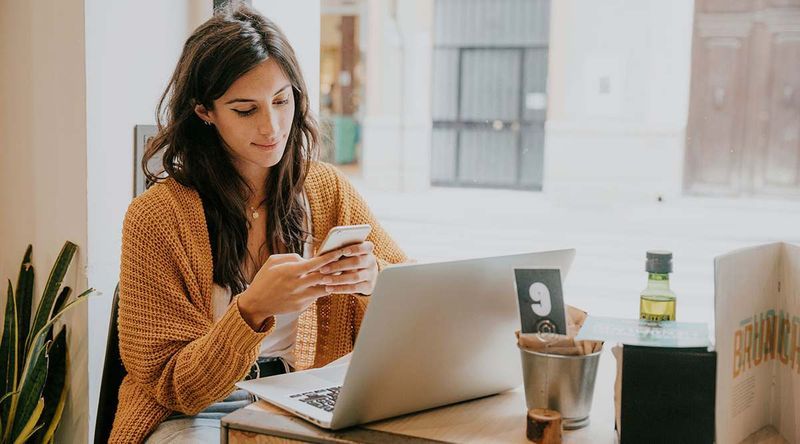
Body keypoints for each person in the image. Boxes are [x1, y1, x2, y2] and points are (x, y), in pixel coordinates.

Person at [111, 4, 406, 442]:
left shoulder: (325, 189)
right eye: (245, 110)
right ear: (204, 112)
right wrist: (252, 310)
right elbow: (174, 386)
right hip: (201, 411)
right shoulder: (155, 218)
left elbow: (411, 291)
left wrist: (373, 278)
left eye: (281, 101)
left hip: (303, 397)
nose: (271, 126)